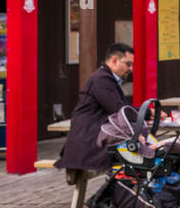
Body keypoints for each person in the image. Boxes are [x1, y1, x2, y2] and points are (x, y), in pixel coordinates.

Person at [55, 42, 134, 176]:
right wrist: (147, 112)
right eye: (128, 64)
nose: (131, 68)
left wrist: (146, 113)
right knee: (137, 156)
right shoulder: (101, 80)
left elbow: (120, 109)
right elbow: (118, 109)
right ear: (114, 61)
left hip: (92, 140)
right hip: (88, 144)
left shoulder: (107, 78)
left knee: (139, 153)